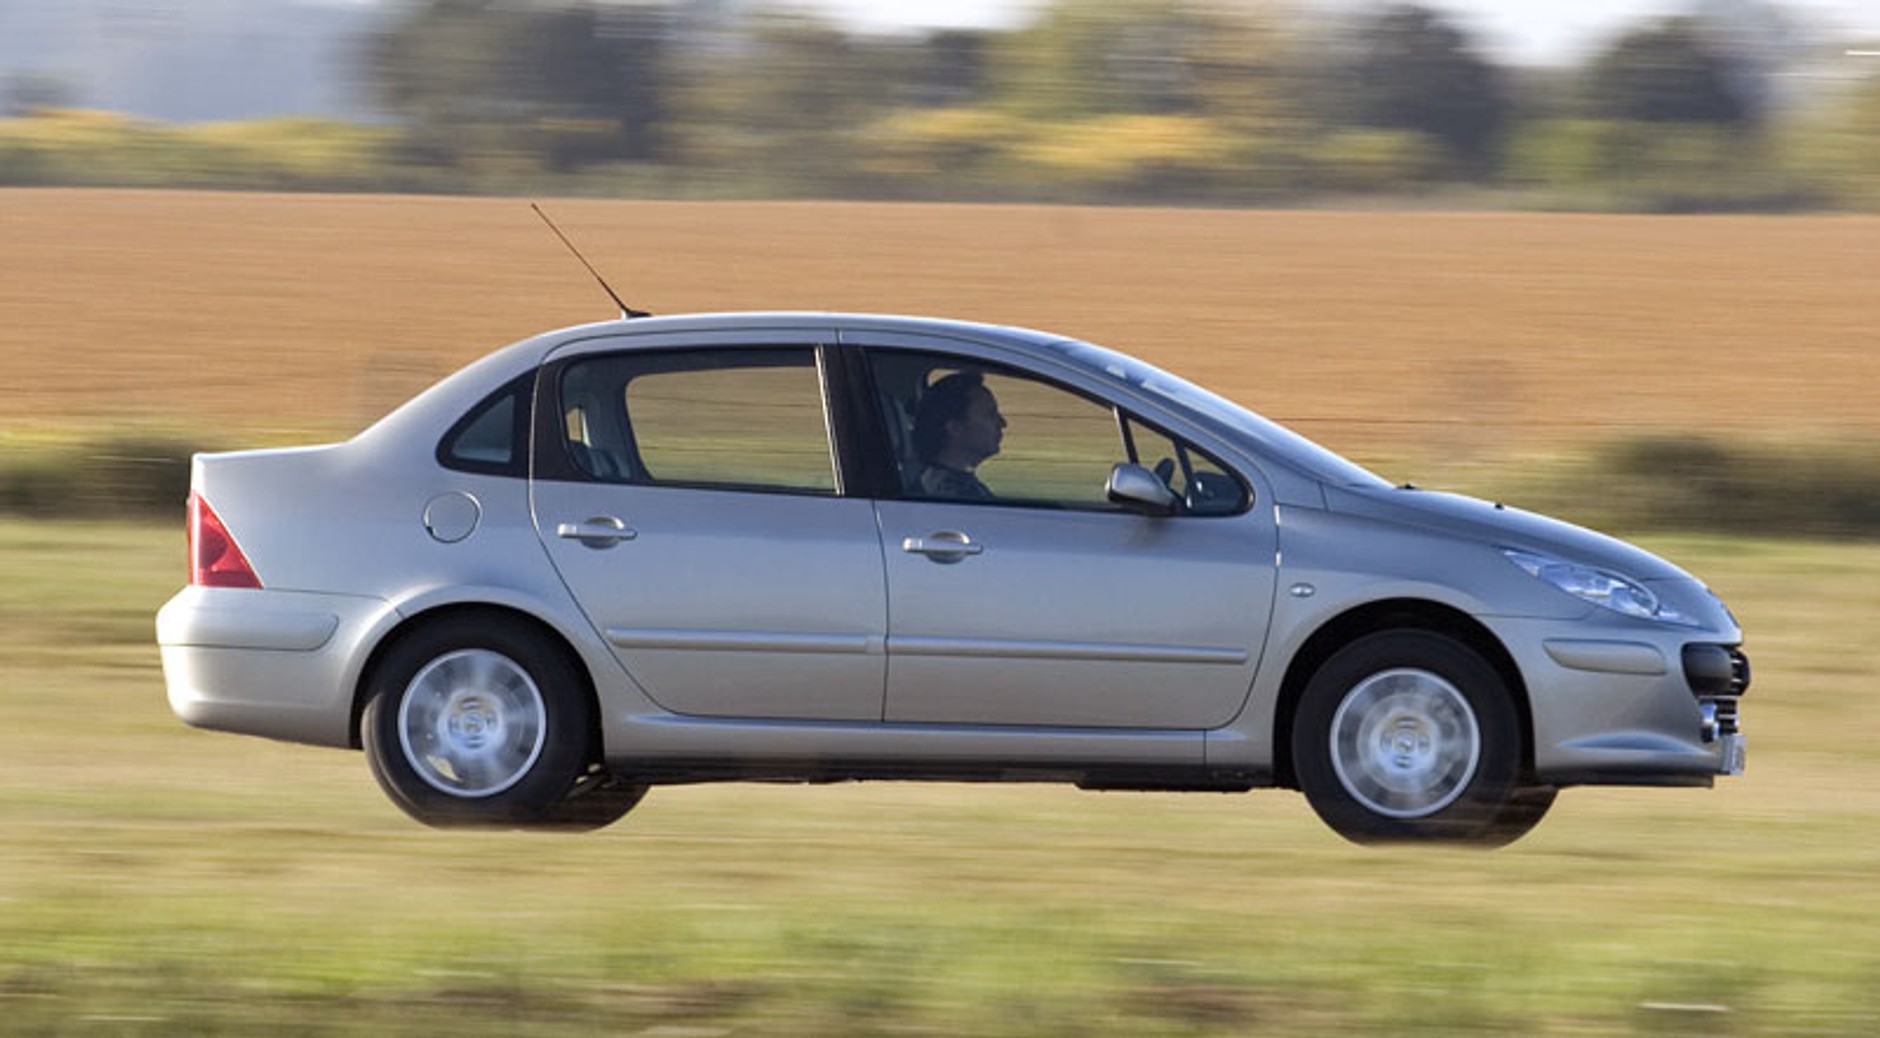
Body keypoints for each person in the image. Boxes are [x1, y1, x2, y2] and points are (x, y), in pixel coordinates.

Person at [910, 371, 1005, 500]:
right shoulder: (949, 496)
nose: (1003, 423)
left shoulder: (945, 485)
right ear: (955, 428)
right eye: (990, 414)